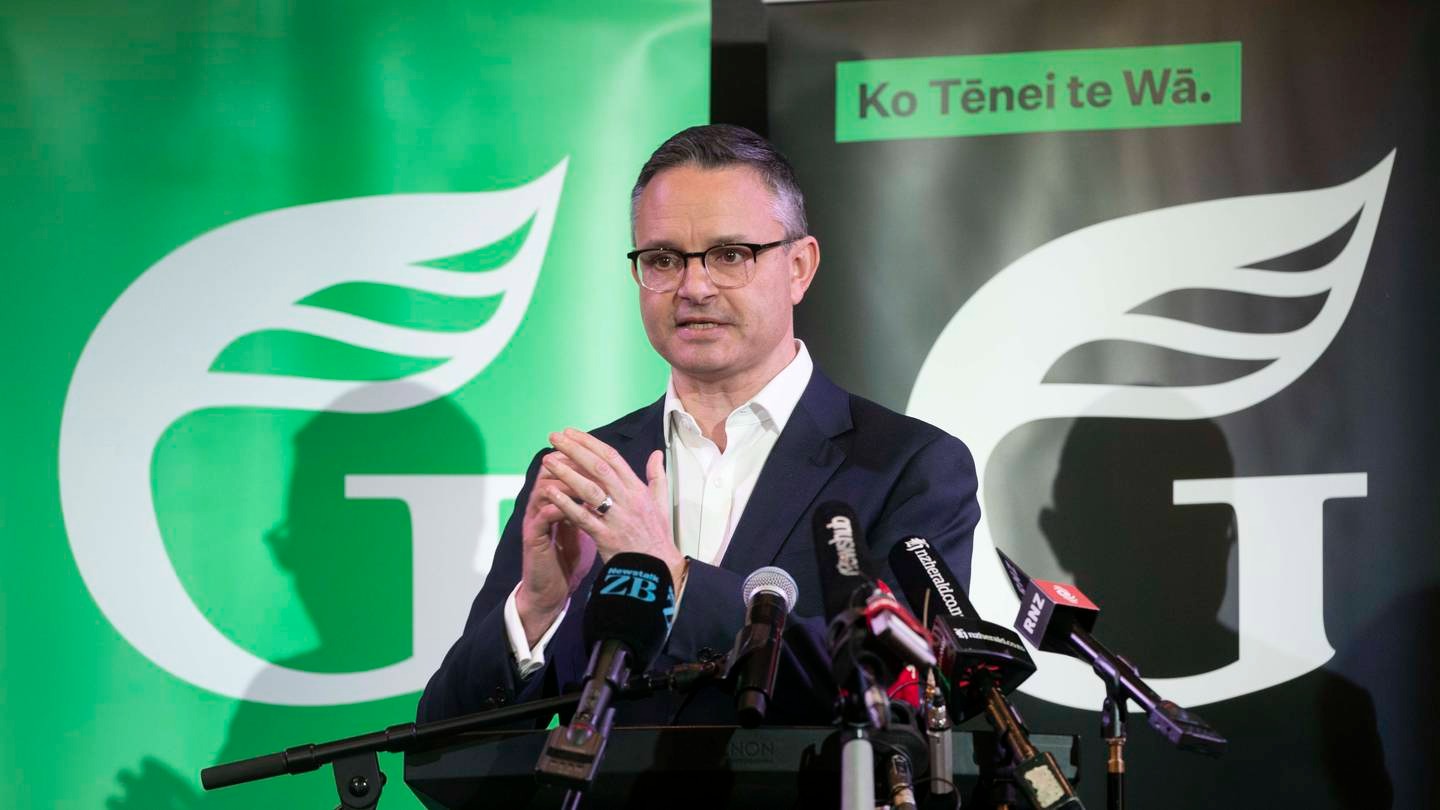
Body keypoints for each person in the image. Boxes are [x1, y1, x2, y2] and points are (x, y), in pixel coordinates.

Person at [417, 124, 979, 725]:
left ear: (799, 267)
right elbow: (445, 757)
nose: (694, 286)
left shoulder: (907, 466)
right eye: (662, 259)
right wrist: (536, 607)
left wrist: (674, 577)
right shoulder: (585, 473)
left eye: (730, 255)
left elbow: (911, 702)